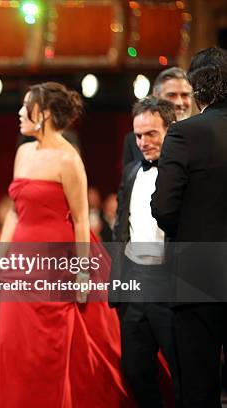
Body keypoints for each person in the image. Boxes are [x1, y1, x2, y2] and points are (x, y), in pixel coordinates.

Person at [0, 82, 131, 407]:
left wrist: (82, 273)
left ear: (46, 114)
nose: (20, 113)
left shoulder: (69, 159)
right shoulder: (24, 152)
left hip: (57, 262)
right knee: (15, 345)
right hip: (21, 264)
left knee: (51, 349)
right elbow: (15, 210)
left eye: (27, 108)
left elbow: (82, 220)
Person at [151, 46, 227, 407]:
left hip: (197, 275)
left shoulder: (184, 134)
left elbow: (163, 207)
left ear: (198, 92)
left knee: (199, 386)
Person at [112, 97, 179, 406]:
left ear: (170, 129)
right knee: (136, 371)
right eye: (138, 135)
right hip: (135, 286)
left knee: (184, 373)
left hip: (172, 284)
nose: (143, 142)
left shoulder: (185, 172)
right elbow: (120, 228)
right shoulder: (130, 172)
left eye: (151, 133)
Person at [122, 67, 193, 167]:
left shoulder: (203, 136)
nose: (179, 102)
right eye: (171, 95)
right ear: (156, 97)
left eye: (185, 95)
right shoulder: (133, 140)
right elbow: (128, 180)